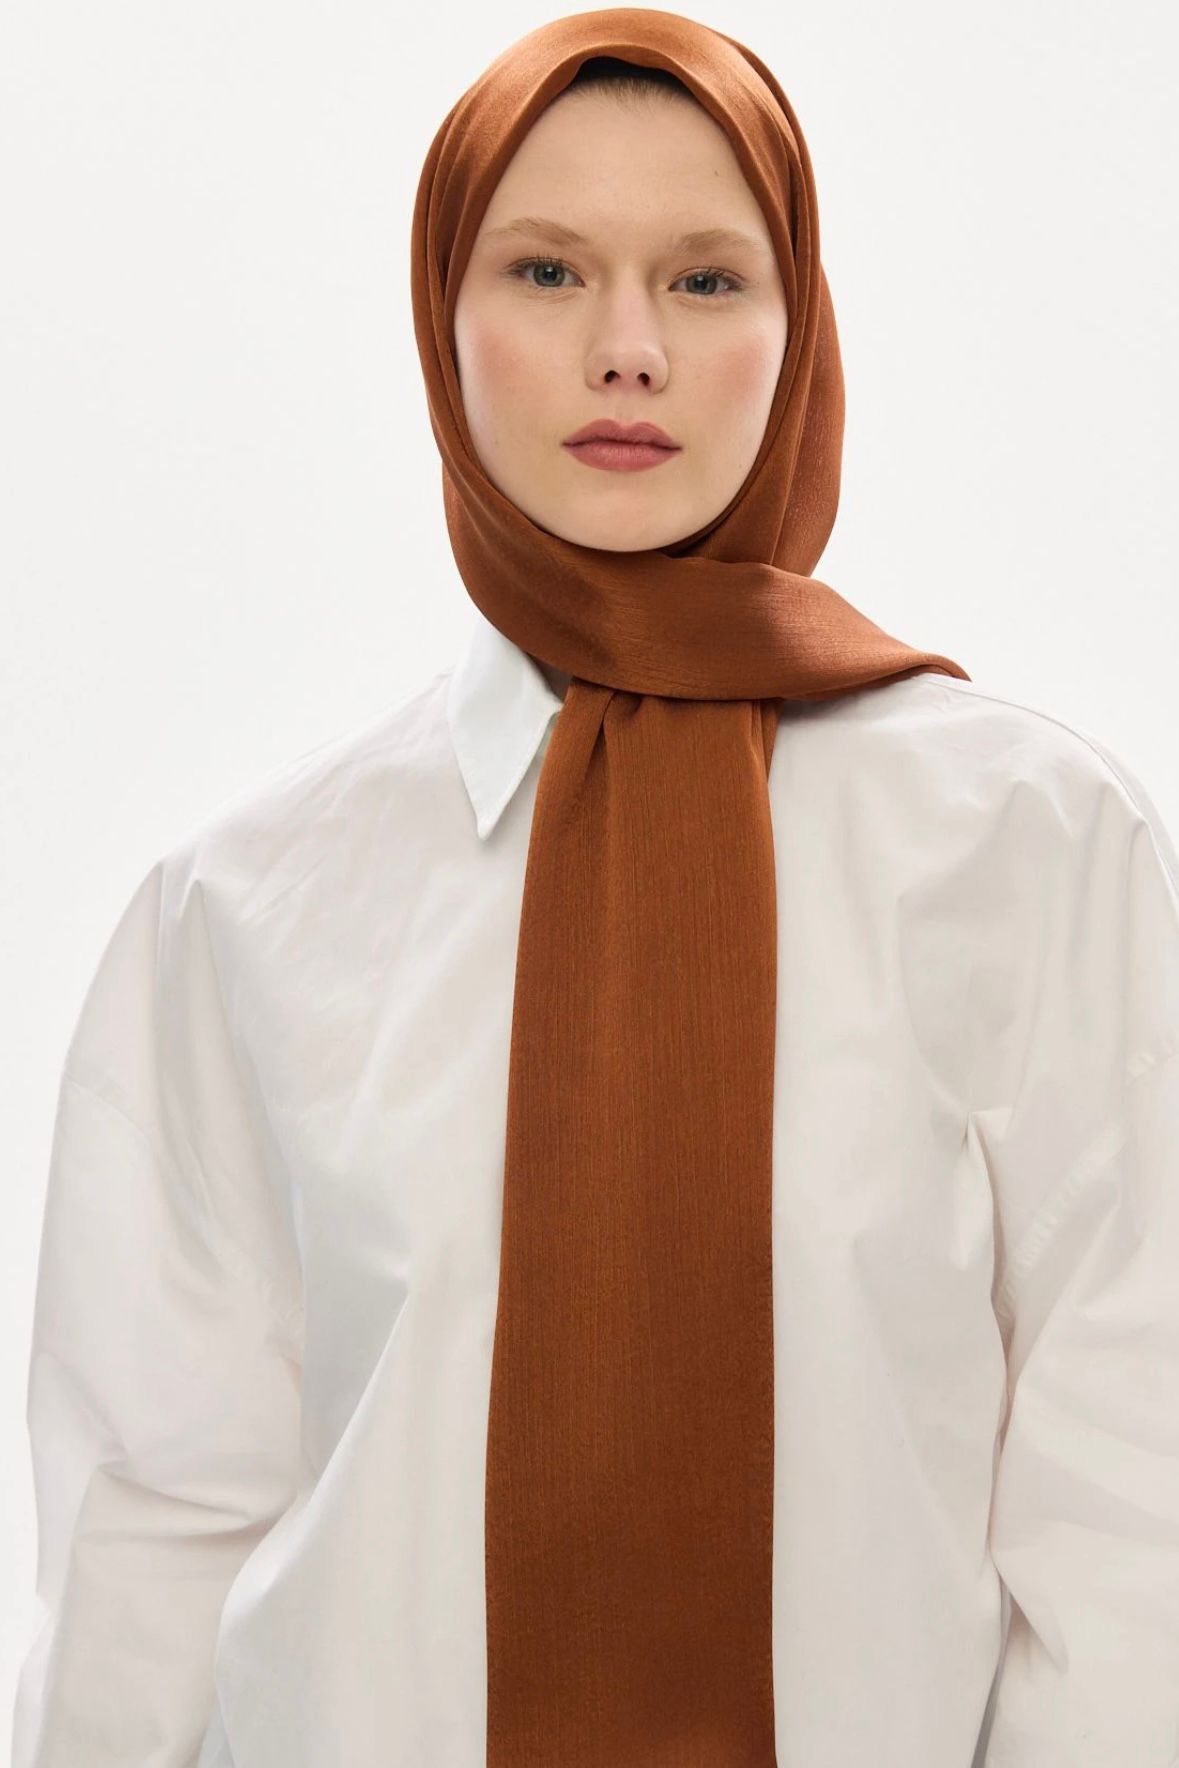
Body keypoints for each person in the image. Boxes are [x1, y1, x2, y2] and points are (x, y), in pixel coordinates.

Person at [13, 13, 1179, 1768]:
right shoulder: (245, 910)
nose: (626, 350)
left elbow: (1131, 1528)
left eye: (705, 281)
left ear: (798, 329)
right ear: (443, 317)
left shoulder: (1030, 848)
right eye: (547, 269)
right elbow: (150, 1556)